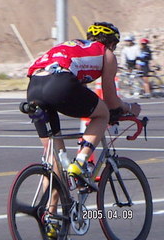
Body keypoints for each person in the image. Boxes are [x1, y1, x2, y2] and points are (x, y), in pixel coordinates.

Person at [26, 22, 141, 237]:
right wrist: (129, 108)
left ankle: (50, 218)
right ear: (112, 43)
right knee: (103, 113)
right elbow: (111, 100)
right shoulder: (105, 54)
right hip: (59, 83)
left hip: (34, 87)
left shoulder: (76, 46)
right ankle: (80, 162)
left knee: (54, 160)